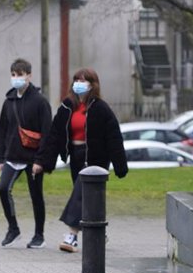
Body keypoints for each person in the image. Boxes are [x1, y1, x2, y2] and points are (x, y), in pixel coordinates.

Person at [33, 68, 127, 252]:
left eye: (83, 80)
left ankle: (71, 236)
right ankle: (97, 232)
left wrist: (120, 165)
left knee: (80, 194)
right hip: (75, 157)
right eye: (76, 80)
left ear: (93, 84)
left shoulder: (101, 108)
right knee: (89, 199)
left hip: (96, 158)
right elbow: (54, 135)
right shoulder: (67, 106)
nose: (78, 83)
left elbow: (114, 137)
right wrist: (42, 161)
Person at [0, 58, 52, 248]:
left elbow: (47, 133)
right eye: (13, 75)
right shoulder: (8, 101)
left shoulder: (40, 102)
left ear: (29, 75)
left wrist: (40, 160)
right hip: (12, 157)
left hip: (33, 159)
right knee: (3, 188)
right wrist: (1, 158)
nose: (16, 78)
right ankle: (13, 229)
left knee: (36, 196)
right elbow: (2, 131)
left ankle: (39, 235)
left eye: (20, 75)